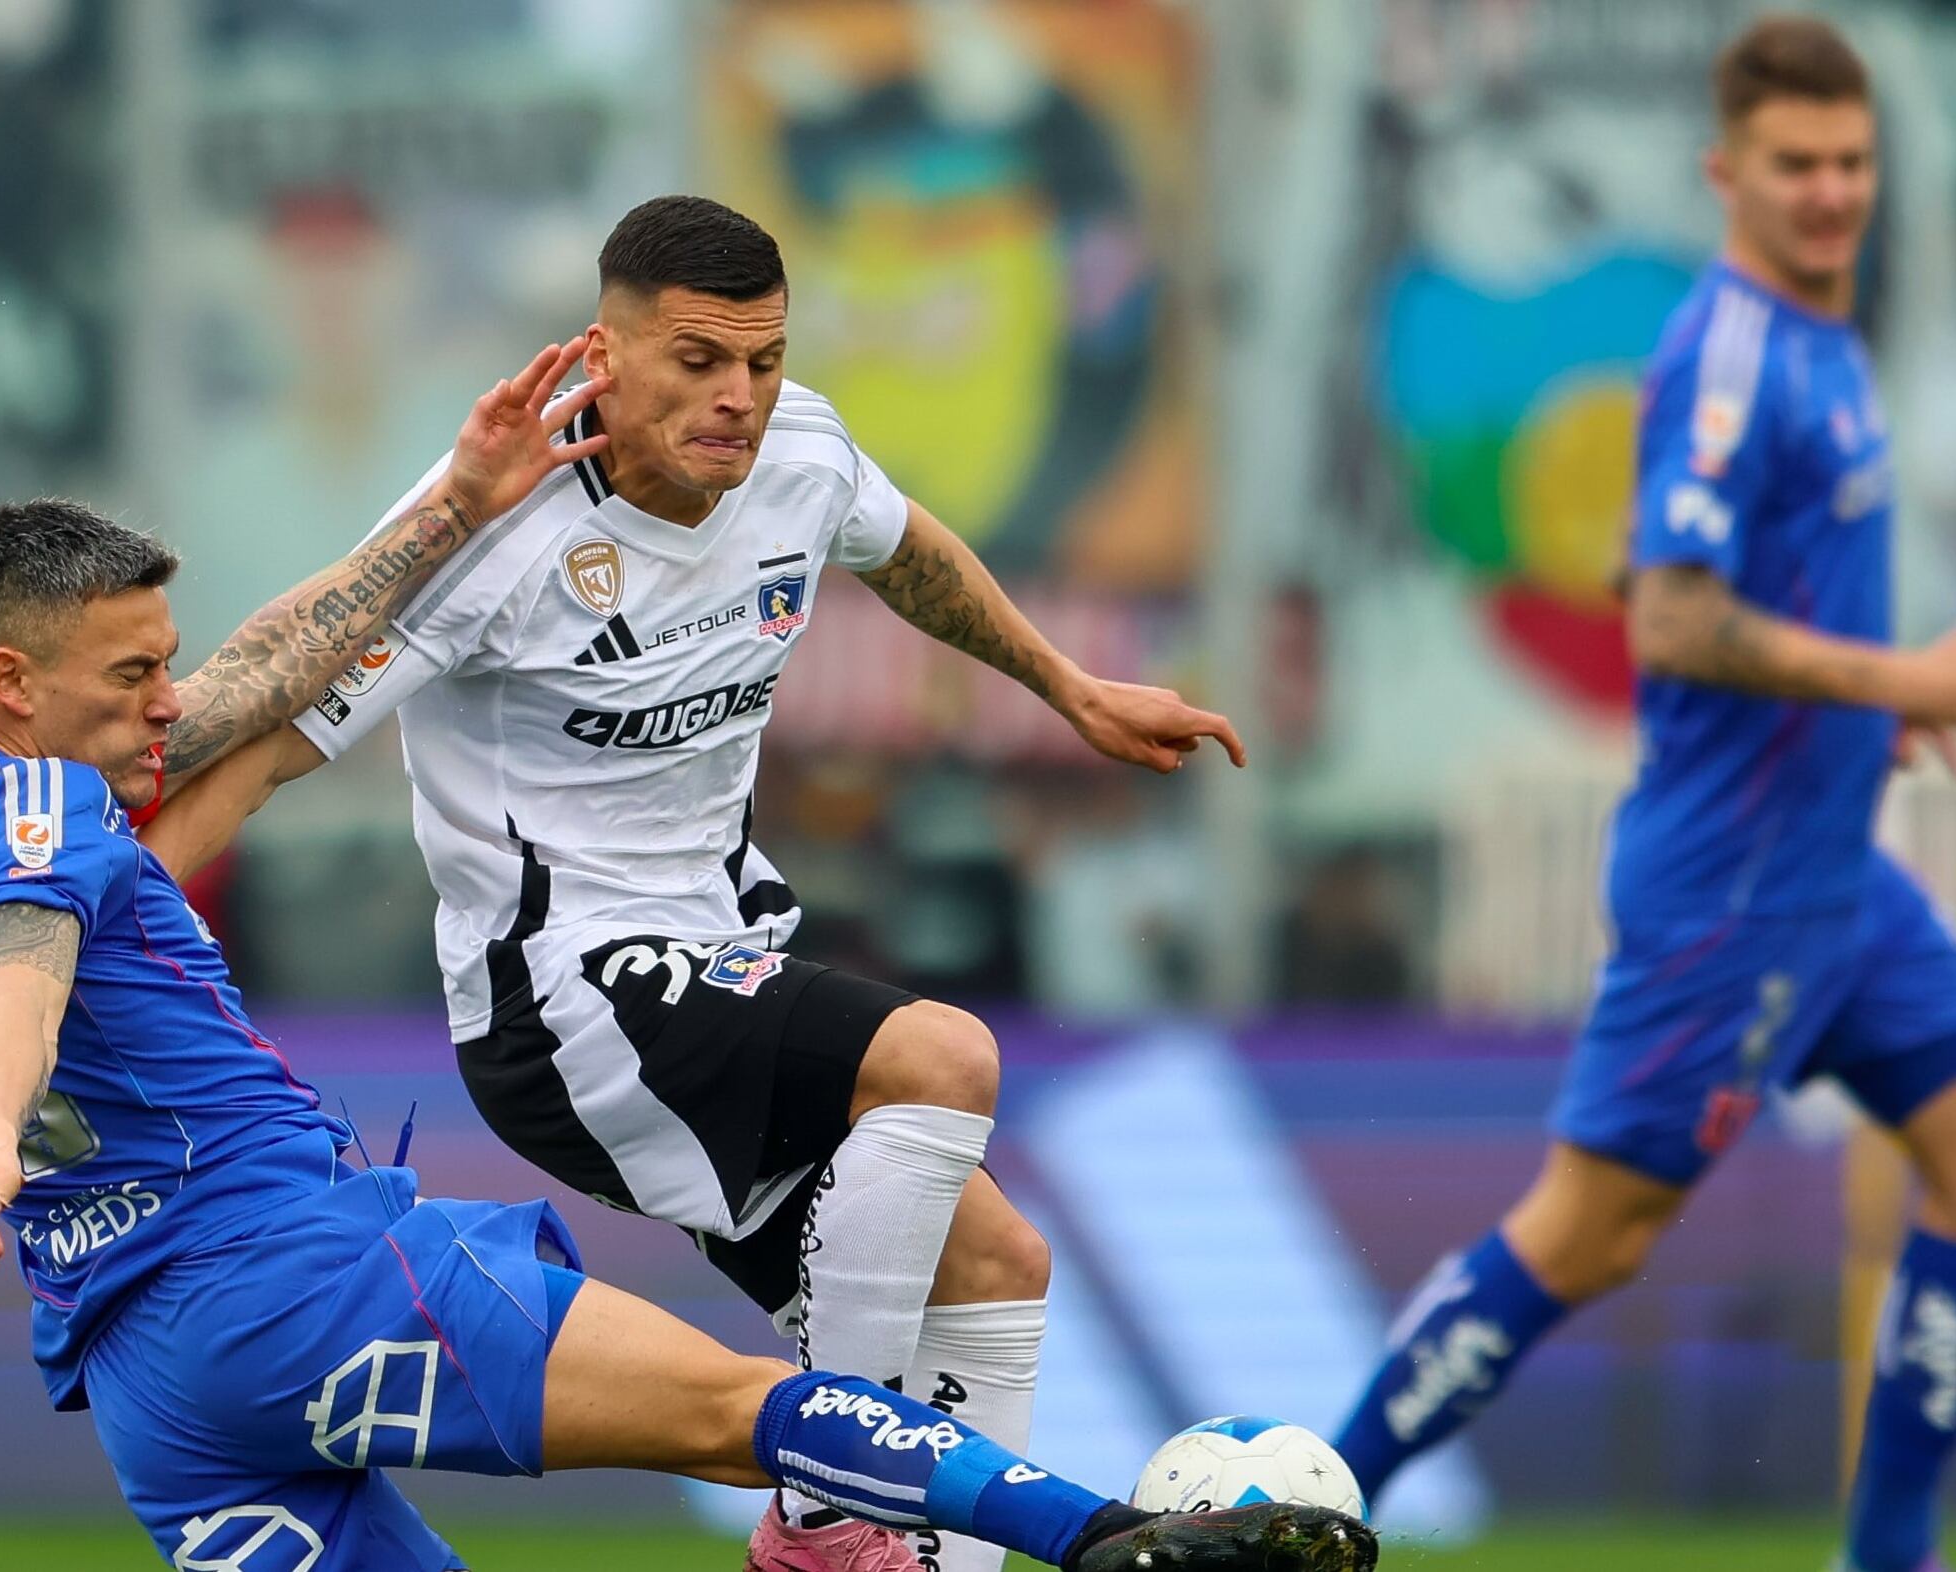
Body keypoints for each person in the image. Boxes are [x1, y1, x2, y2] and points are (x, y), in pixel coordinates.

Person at [0, 343, 1372, 1572]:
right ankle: (1110, 1540)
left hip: (149, 1379)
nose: (172, 702)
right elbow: (29, 966)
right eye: (137, 675)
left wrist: (449, 504)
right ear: (14, 682)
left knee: (988, 1257)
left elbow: (248, 708)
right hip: (290, 1272)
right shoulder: (39, 806)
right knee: (755, 1406)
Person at [143, 195, 1244, 1572]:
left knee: (995, 1271)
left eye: (765, 361)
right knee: (941, 1057)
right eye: (700, 362)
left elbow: (902, 550)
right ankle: (831, 1515)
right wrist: (83, 940)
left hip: (724, 949)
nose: (741, 399)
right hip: (564, 1006)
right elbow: (251, 758)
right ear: (603, 355)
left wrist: (1066, 686)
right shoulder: (488, 527)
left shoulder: (803, 451)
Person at [1325, 19, 1956, 1572]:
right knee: (1589, 1236)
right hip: (1728, 888)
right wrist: (1897, 687)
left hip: (1832, 865)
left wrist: (1864, 725)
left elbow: (1748, 608)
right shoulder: (1726, 357)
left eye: (1853, 163)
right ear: (1727, 173)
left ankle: (1892, 1556)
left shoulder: (1828, 339)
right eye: (1797, 166)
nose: (1831, 193)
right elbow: (1668, 611)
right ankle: (1304, 1504)